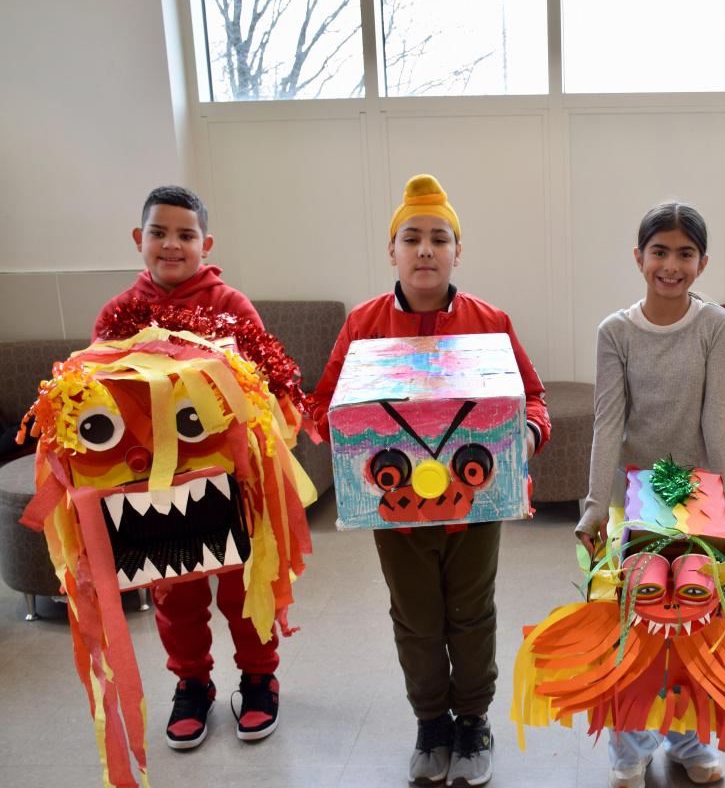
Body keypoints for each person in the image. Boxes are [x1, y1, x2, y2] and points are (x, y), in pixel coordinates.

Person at [310, 173, 550, 788]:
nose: (424, 250)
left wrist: (523, 437)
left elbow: (533, 400)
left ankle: (473, 720)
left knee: (471, 612)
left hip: (474, 507)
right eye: (411, 237)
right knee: (415, 617)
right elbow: (326, 408)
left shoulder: (488, 320)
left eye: (438, 238)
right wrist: (339, 437)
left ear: (457, 251)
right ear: (391, 250)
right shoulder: (364, 324)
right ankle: (431, 722)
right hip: (395, 512)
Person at [574, 201, 725, 788]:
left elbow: (717, 418)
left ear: (702, 262)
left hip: (697, 493)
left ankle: (690, 738)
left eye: (685, 253)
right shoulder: (617, 331)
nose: (671, 264)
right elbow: (608, 420)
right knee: (635, 623)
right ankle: (630, 747)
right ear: (639, 257)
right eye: (660, 251)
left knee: (699, 622)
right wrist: (595, 505)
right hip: (636, 494)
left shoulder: (716, 327)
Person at [93, 185, 278, 750]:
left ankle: (258, 677)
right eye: (159, 232)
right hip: (151, 486)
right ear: (138, 239)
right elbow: (95, 398)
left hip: (226, 481)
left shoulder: (231, 306)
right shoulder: (119, 313)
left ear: (206, 243)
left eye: (185, 235)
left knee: (243, 588)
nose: (172, 244)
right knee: (175, 593)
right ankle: (191, 684)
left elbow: (265, 387)